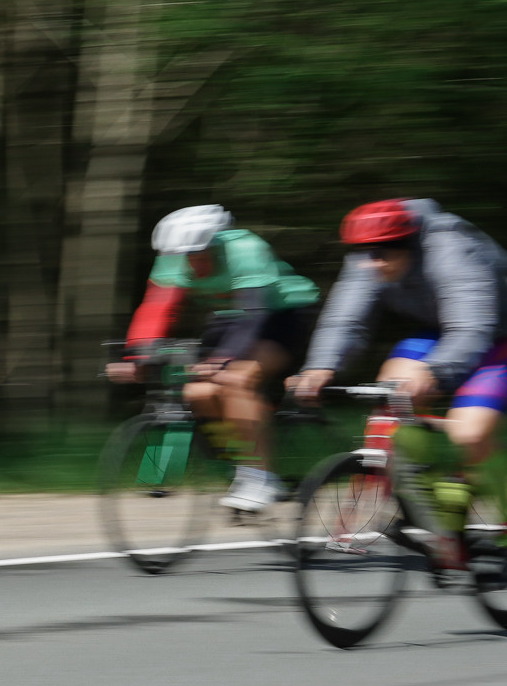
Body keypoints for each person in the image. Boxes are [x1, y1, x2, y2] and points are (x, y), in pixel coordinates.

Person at [292, 197, 507, 565]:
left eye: (384, 254)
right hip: (443, 330)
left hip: (492, 332)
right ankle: (426, 500)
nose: (373, 263)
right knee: (391, 391)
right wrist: (320, 367)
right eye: (365, 254)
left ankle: (484, 510)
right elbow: (346, 319)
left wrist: (435, 372)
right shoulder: (370, 256)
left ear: (410, 244)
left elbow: (473, 327)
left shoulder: (452, 250)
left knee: (469, 434)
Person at [107, 204, 320, 513]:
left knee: (237, 379)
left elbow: (254, 315)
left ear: (217, 243)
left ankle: (262, 478)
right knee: (197, 391)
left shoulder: (246, 250)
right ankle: (243, 467)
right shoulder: (172, 258)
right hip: (230, 316)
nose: (193, 263)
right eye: (186, 257)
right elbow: (157, 309)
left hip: (281, 312)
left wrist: (224, 358)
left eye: (200, 254)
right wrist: (136, 355)